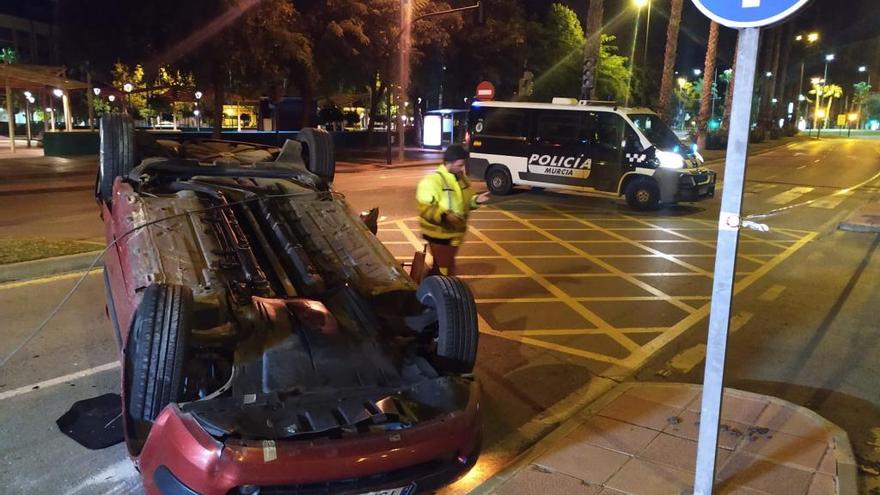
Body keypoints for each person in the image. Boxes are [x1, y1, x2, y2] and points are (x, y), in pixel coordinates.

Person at [416, 143, 490, 276]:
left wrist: (475, 201)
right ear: (449, 162)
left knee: (443, 266)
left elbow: (465, 202)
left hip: (455, 235)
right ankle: (441, 291)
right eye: (460, 165)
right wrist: (445, 216)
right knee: (444, 270)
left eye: (463, 164)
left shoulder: (462, 179)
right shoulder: (433, 180)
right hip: (440, 235)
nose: (462, 168)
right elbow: (425, 208)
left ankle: (432, 286)